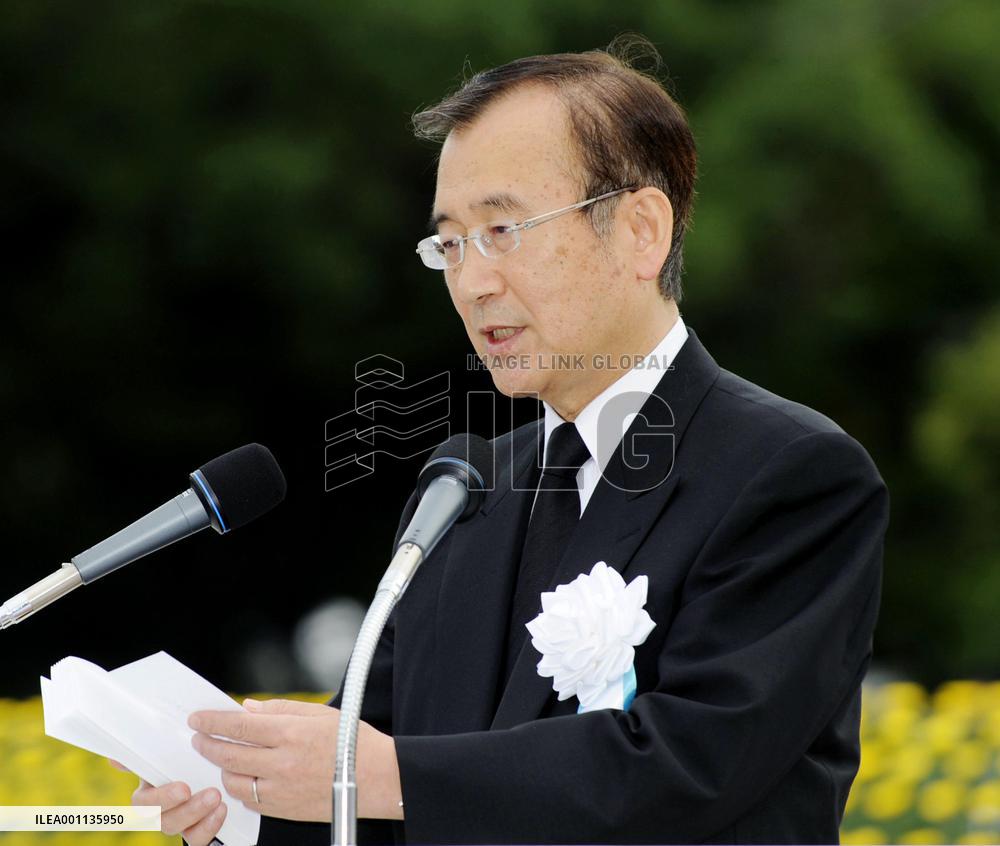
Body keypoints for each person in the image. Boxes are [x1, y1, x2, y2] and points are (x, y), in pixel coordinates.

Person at [124, 38, 888, 845]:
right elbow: (383, 788)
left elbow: (689, 767)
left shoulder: (791, 474)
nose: (472, 280)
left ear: (640, 230)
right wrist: (240, 803)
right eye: (450, 242)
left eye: (503, 229)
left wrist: (379, 773)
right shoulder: (462, 489)